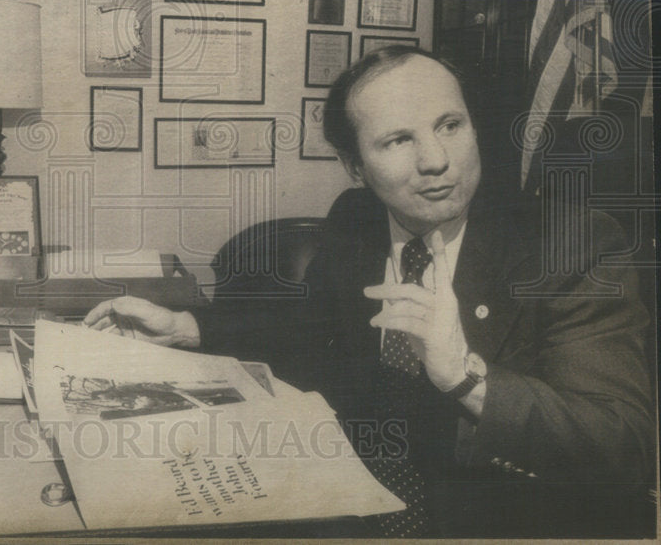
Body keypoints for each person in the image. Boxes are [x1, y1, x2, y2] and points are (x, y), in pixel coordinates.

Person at [84, 46, 655, 538]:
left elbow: (623, 445)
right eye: (398, 139)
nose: (436, 160)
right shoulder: (356, 218)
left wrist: (465, 375)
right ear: (355, 166)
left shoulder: (570, 245)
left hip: (494, 523)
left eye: (450, 125)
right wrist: (186, 327)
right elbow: (308, 331)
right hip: (350, 505)